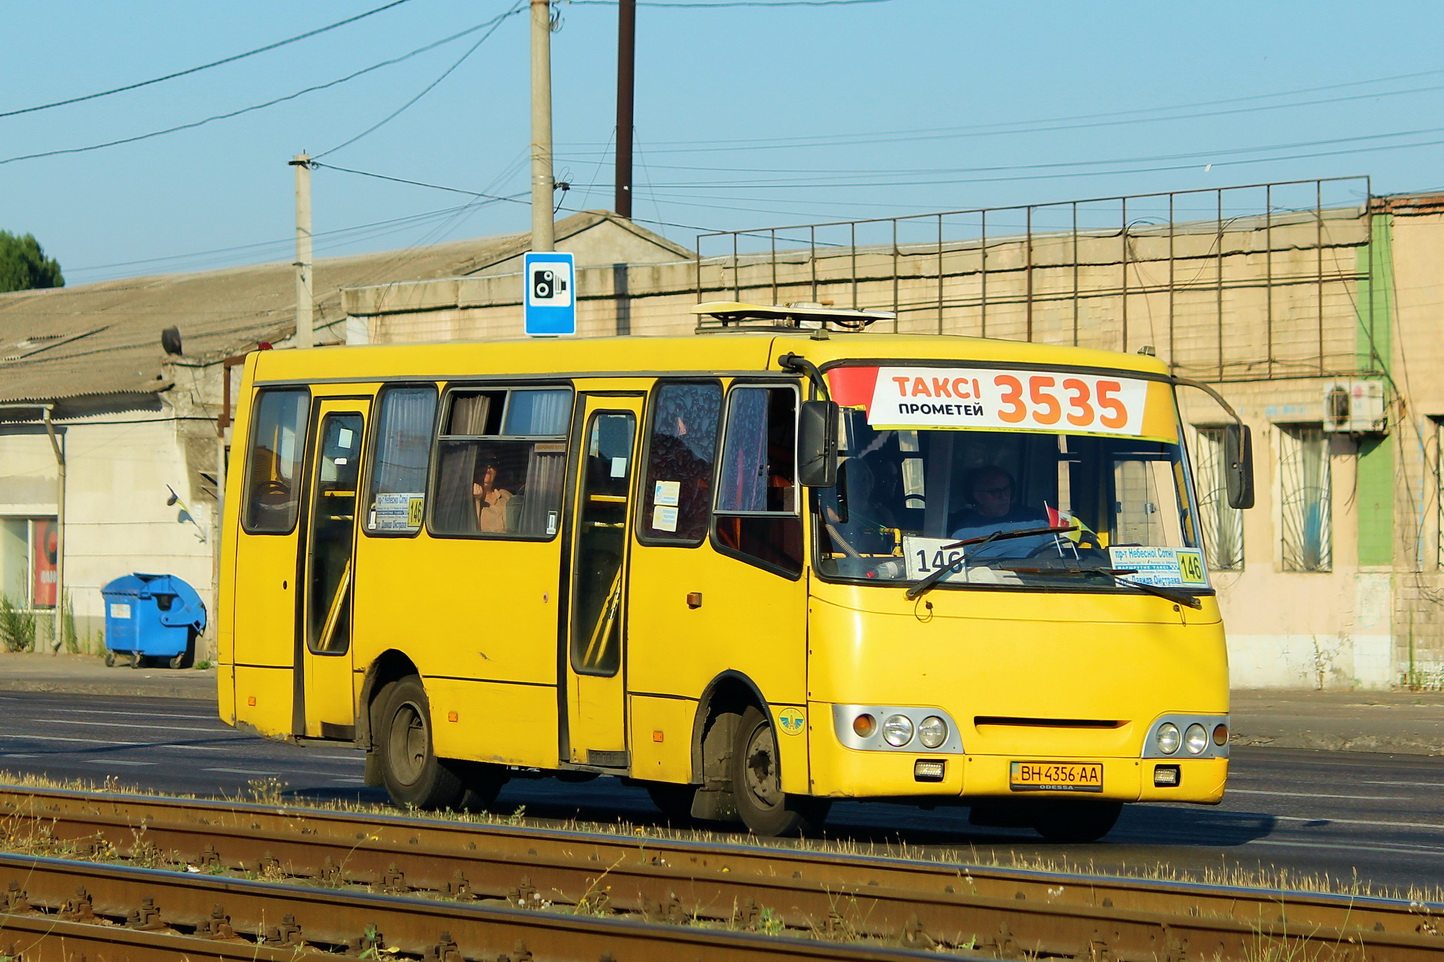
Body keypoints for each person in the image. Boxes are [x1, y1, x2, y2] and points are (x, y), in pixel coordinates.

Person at [472, 456, 512, 533]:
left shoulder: (506, 495)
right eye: (483, 464)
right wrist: (477, 500)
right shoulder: (467, 498)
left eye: (492, 465)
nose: (488, 470)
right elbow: (470, 530)